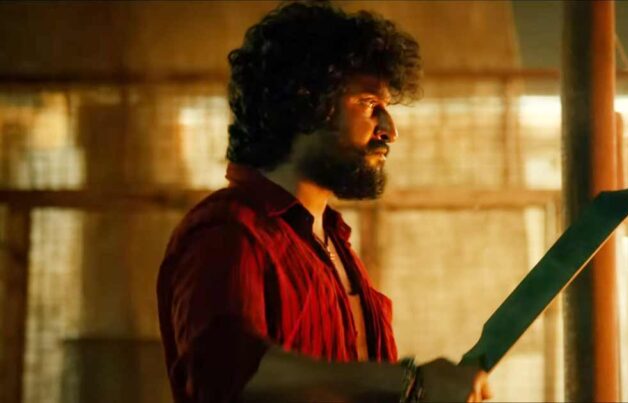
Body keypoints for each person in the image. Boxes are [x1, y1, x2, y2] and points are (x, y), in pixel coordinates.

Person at [157, 1, 491, 402]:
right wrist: (409, 382)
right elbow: (225, 372)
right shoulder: (229, 231)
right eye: (369, 104)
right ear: (307, 102)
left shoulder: (335, 244)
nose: (390, 130)